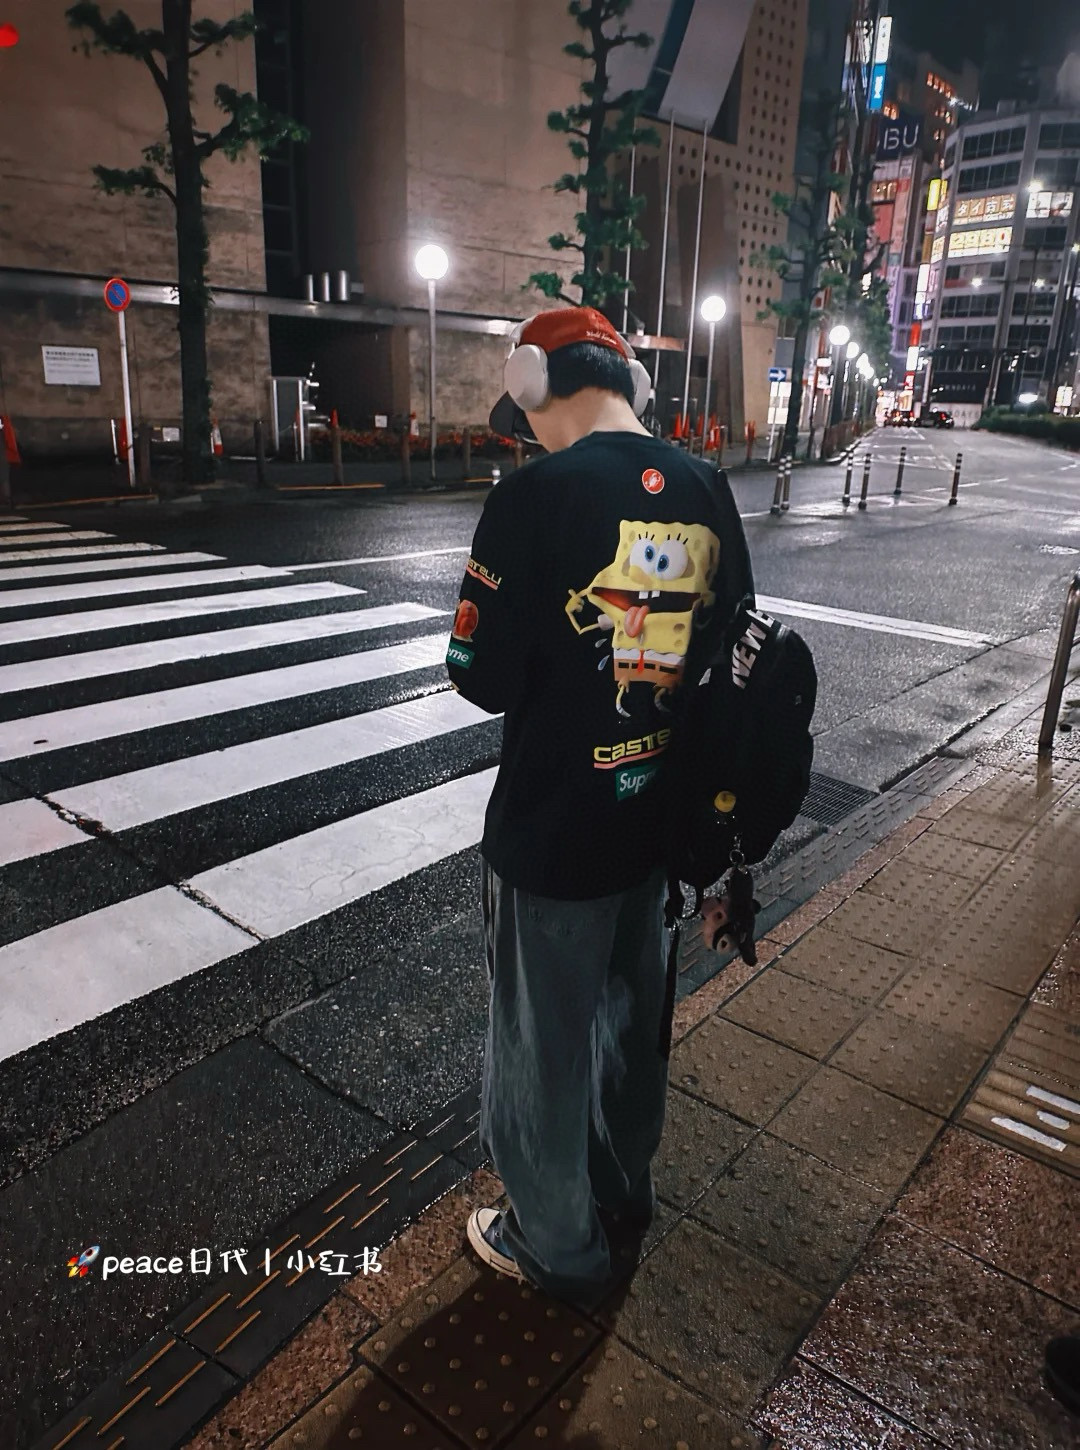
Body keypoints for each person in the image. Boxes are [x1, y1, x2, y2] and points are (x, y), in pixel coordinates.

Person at [445, 305, 754, 1300]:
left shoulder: (532, 495)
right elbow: (737, 655)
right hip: (656, 826)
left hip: (552, 830)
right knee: (631, 1024)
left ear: (534, 383)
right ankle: (622, 1193)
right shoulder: (706, 487)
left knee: (541, 1047)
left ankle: (553, 1243)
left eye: (523, 413)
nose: (526, 432)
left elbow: (479, 675)